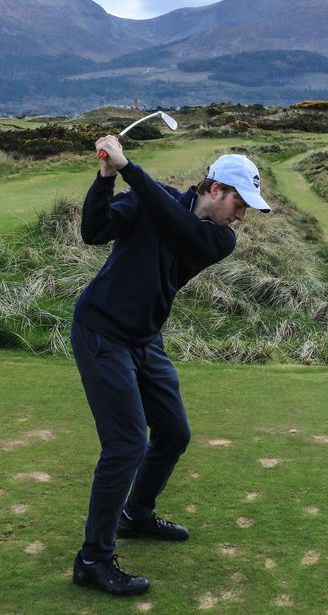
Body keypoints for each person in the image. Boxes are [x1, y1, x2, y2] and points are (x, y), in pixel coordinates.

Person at [70, 135, 271, 596]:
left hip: (145, 338)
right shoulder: (150, 199)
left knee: (174, 433)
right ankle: (92, 560)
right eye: (240, 203)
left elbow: (175, 225)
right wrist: (106, 177)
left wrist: (130, 169)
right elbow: (93, 230)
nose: (243, 217)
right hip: (101, 330)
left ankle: (135, 515)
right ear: (216, 188)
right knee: (125, 446)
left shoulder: (219, 239)